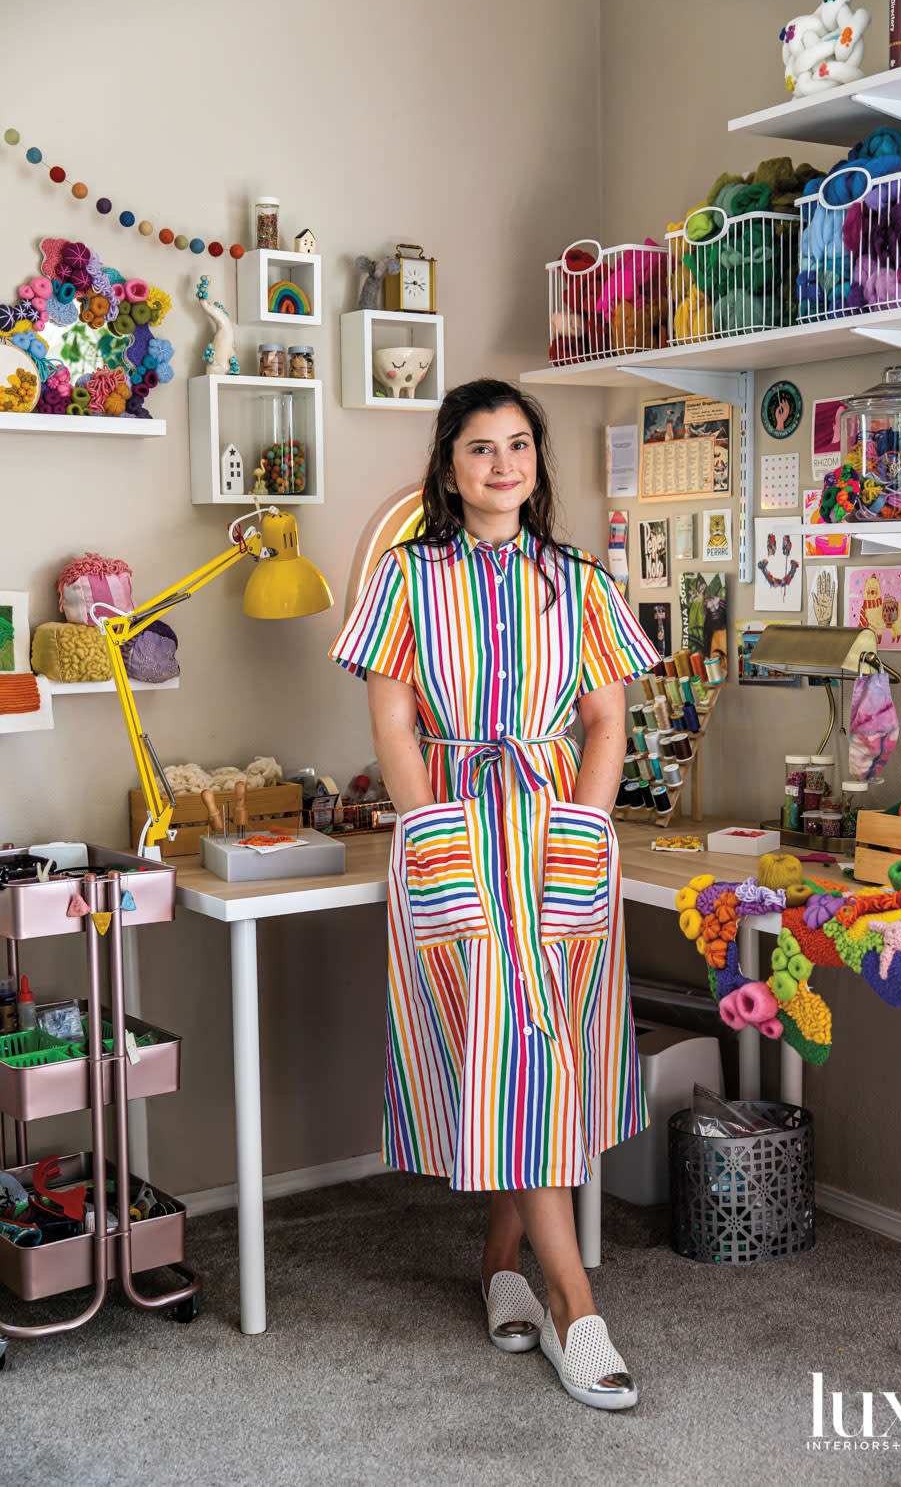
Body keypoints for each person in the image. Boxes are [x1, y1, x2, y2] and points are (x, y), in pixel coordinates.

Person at [329, 379, 658, 1411]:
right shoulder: (402, 579)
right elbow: (391, 724)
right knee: (505, 1049)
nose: (502, 465)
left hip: (560, 826)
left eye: (517, 445)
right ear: (449, 465)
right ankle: (574, 1303)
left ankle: (499, 1268)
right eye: (480, 448)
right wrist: (430, 831)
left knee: (544, 1048)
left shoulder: (584, 584)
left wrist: (582, 830)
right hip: (456, 824)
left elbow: (605, 723)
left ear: (535, 462)